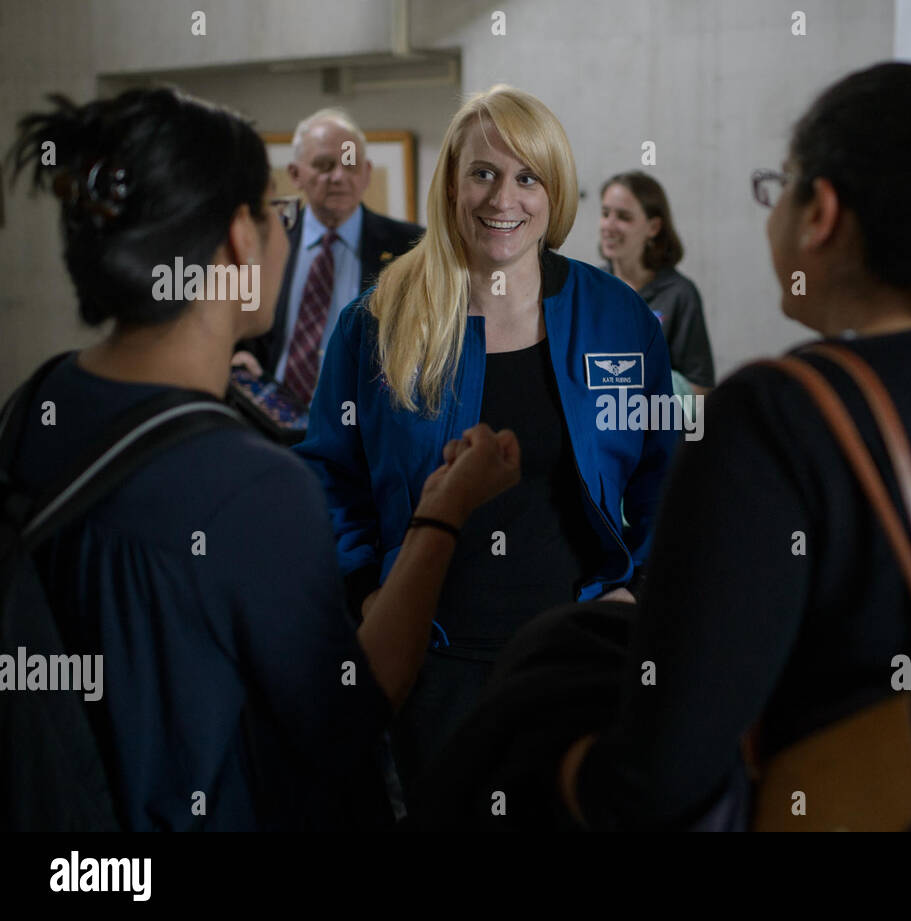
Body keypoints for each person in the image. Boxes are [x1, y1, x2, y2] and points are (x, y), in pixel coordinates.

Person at [545, 62, 911, 829]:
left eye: (778, 186)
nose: (771, 214)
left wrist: (547, 752)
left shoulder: (775, 416)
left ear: (820, 211)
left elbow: (659, 777)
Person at [3, 88, 520, 830]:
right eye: (276, 212)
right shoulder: (252, 485)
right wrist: (443, 513)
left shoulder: (36, 402)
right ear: (241, 240)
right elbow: (347, 714)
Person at [293, 85, 678, 800]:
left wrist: (638, 587)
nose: (506, 195)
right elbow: (328, 473)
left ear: (554, 190)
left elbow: (669, 475)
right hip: (432, 660)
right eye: (483, 173)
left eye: (528, 176)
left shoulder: (619, 319)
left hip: (576, 653)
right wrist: (368, 590)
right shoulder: (375, 320)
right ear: (451, 183)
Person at [231, 108, 424, 405]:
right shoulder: (265, 239)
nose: (338, 177)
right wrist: (238, 354)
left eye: (351, 165)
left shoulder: (411, 247)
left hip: (360, 424)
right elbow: (235, 324)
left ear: (367, 173)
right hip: (272, 417)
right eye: (324, 165)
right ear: (295, 174)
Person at [600, 171, 715, 394]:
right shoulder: (589, 288)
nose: (609, 226)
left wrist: (638, 382)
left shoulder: (680, 294)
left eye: (623, 217)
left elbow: (701, 390)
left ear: (653, 227)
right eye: (605, 213)